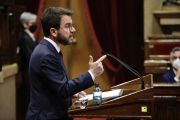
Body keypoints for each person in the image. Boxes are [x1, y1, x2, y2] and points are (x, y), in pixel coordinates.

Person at [26, 7, 106, 120]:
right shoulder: (46, 55)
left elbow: (54, 86)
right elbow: (63, 89)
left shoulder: (50, 50)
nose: (73, 30)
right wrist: (91, 73)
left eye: (72, 25)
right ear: (53, 31)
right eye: (68, 26)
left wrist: (74, 93)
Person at [19, 12, 38, 119]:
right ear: (25, 24)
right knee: (28, 100)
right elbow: (31, 57)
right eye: (32, 23)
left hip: (32, 74)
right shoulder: (24, 38)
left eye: (35, 23)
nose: (34, 25)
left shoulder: (31, 37)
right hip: (28, 74)